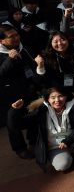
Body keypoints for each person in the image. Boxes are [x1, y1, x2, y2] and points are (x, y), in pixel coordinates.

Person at [8, 86, 74, 172]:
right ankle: (72, 155)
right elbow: (17, 125)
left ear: (66, 96)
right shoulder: (40, 112)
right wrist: (14, 111)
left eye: (60, 96)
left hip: (72, 139)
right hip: (54, 145)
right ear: (47, 99)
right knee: (62, 165)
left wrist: (69, 140)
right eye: (53, 97)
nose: (57, 100)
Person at [0, 25, 39, 159]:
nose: (17, 38)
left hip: (28, 91)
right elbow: (1, 74)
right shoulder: (2, 55)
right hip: (9, 97)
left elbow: (32, 67)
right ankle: (20, 149)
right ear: (1, 41)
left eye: (17, 35)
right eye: (12, 37)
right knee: (12, 123)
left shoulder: (24, 49)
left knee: (34, 115)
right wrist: (10, 59)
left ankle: (34, 141)